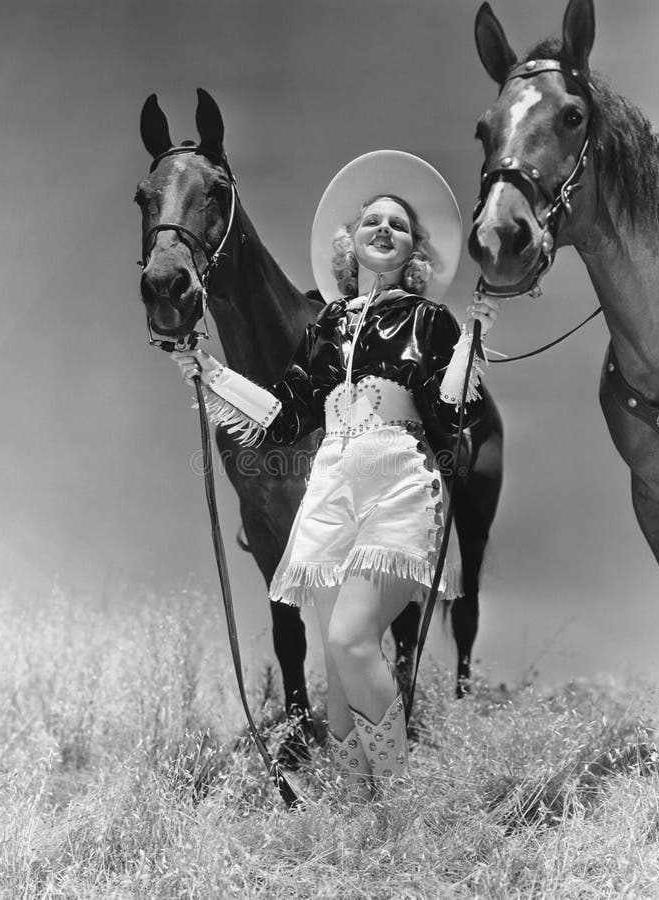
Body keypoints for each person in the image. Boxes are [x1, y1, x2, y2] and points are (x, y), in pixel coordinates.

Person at [172, 151, 499, 798]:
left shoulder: (431, 322)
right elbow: (283, 417)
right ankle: (355, 809)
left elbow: (446, 412)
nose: (384, 228)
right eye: (372, 220)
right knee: (338, 680)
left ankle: (402, 805)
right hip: (331, 494)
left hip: (397, 484)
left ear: (413, 251)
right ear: (351, 243)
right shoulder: (331, 325)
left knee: (351, 640)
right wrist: (210, 373)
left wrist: (473, 344)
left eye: (399, 225)